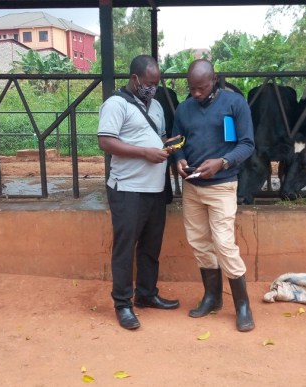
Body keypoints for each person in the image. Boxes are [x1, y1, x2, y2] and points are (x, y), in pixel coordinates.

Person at [171, 59, 256, 332]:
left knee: (223, 243)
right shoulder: (184, 109)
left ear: (214, 80)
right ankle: (212, 297)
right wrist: (180, 160)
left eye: (202, 88)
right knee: (199, 242)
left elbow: (247, 144)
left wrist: (222, 162)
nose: (196, 93)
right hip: (193, 188)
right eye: (192, 88)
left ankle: (243, 305)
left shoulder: (235, 104)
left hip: (222, 186)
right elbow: (176, 142)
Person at [97, 55, 181, 330]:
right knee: (125, 247)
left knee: (150, 247)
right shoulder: (116, 104)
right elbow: (106, 141)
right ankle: (123, 303)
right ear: (134, 79)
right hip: (128, 190)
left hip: (155, 189)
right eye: (149, 83)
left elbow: (156, 136)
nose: (153, 88)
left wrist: (169, 145)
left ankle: (146, 294)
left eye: (156, 83)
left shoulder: (155, 105)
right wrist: (144, 152)